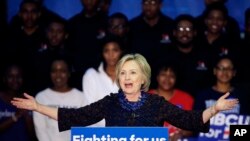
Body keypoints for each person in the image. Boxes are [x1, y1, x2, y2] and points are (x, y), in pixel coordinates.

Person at [11, 54, 238, 133]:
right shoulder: (109, 103)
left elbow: (191, 120)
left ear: (143, 78)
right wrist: (37, 107)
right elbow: (74, 117)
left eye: (133, 73)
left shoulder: (156, 103)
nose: (127, 77)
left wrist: (215, 109)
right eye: (123, 73)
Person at [33, 57, 87, 141]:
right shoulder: (41, 97)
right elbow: (40, 130)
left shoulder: (81, 97)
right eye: (54, 71)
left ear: (69, 73)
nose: (58, 75)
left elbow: (84, 128)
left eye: (63, 71)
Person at [82, 36, 124, 126]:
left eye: (115, 50)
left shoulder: (130, 76)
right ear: (102, 53)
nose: (111, 55)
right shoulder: (92, 75)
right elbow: (90, 109)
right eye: (106, 51)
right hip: (97, 132)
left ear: (121, 52)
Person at [148, 65, 194, 141]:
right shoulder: (146, 98)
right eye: (163, 75)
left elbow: (191, 129)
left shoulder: (186, 98)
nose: (167, 79)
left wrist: (181, 134)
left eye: (171, 76)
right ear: (157, 77)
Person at [0, 64, 36, 141]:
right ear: (4, 79)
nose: (15, 80)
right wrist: (16, 116)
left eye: (18, 76)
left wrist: (27, 117)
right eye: (11, 76)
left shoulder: (28, 99)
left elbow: (33, 135)